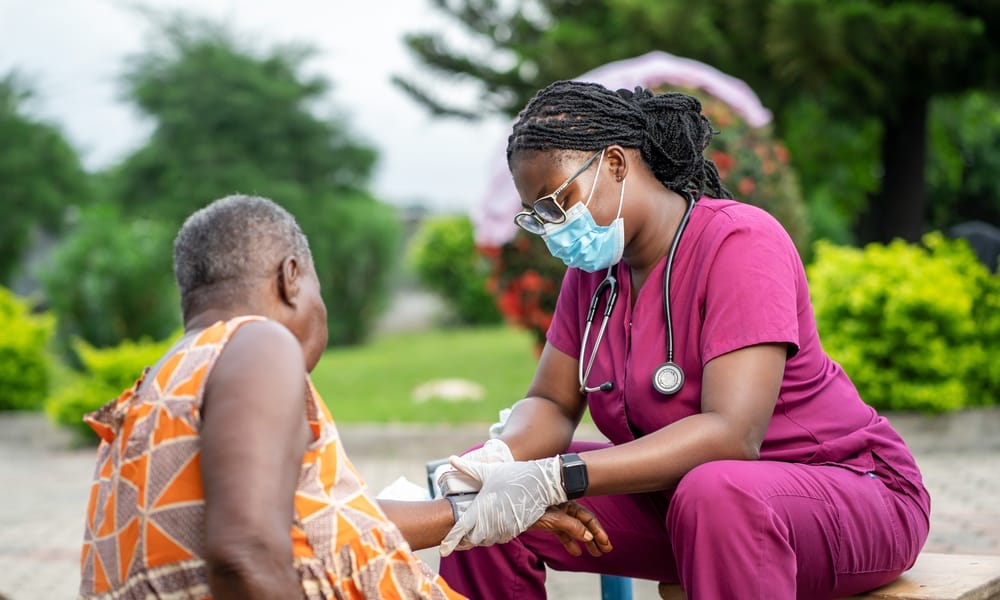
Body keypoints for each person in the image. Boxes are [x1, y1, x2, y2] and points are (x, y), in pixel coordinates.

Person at [435, 81, 931, 600]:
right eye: (537, 215)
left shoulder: (740, 242)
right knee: (489, 507)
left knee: (715, 490)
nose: (553, 228)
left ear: (617, 164)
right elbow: (553, 402)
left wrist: (560, 477)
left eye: (559, 202)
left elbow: (731, 435)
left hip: (847, 494)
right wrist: (498, 463)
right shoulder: (593, 276)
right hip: (686, 507)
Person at [77, 194, 609, 599]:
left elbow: (312, 527)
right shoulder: (258, 342)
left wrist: (475, 510)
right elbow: (243, 554)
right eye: (317, 289)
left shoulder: (155, 390)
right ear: (291, 278)